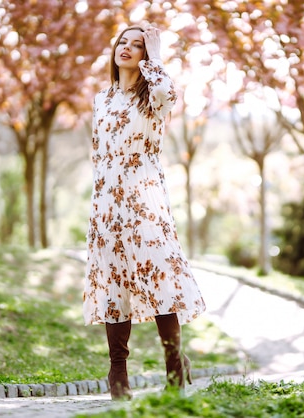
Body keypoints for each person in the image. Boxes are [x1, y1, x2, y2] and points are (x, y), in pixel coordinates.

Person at [83, 24, 207, 401]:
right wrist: (99, 203)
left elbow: (170, 93)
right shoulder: (101, 99)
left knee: (159, 280)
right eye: (124, 41)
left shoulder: (153, 95)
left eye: (138, 45)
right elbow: (98, 153)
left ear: (146, 55)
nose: (128, 48)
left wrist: (155, 56)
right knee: (113, 283)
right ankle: (117, 370)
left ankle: (174, 365)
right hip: (107, 202)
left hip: (145, 199)